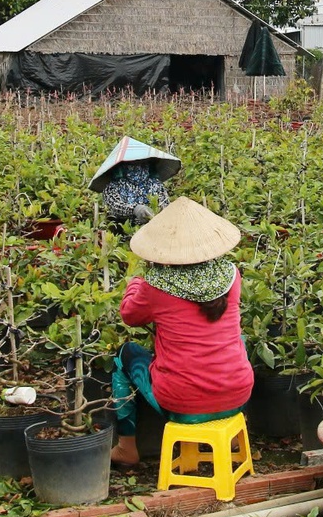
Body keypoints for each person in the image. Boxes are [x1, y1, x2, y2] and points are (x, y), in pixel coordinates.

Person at [110, 198, 254, 469]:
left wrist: (135, 284)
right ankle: (234, 437)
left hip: (182, 398)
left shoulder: (156, 286)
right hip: (238, 391)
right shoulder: (231, 275)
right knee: (236, 341)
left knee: (123, 356)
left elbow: (130, 315)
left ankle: (126, 448)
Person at [90, 137, 182, 228]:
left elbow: (164, 205)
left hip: (154, 230)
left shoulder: (155, 185)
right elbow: (114, 205)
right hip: (123, 232)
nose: (138, 167)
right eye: (132, 164)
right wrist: (135, 209)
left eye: (143, 163)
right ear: (123, 165)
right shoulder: (113, 186)